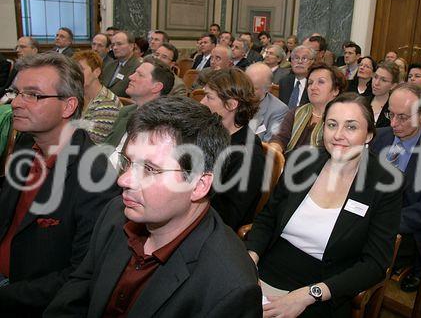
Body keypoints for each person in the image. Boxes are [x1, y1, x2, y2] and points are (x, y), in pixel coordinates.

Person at [45, 96, 262, 317]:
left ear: (199, 184)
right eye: (128, 163)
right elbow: (78, 290)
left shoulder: (231, 289)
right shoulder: (115, 212)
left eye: (150, 169)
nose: (124, 180)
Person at [246, 93, 402, 317]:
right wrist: (250, 259)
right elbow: (267, 218)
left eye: (351, 127)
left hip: (326, 287)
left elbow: (375, 264)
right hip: (267, 266)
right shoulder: (302, 162)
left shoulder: (385, 183)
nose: (338, 135)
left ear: (368, 134)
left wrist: (310, 294)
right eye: (332, 125)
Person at [0, 52, 120, 316]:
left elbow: (80, 276)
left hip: (29, 299)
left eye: (33, 95)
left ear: (68, 106)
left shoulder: (95, 177)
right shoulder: (26, 144)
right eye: (16, 92)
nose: (17, 103)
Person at [371, 83, 421, 292]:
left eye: (403, 117)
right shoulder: (377, 138)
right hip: (361, 216)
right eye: (391, 114)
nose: (393, 123)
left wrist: (380, 221)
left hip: (400, 232)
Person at [200, 68, 266, 231]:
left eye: (209, 97)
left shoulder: (247, 155)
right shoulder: (211, 134)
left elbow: (227, 217)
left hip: (211, 231)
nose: (202, 102)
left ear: (231, 104)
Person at [104, 56, 175, 167]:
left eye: (140, 75)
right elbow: (106, 147)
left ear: (156, 87)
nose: (131, 77)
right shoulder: (125, 111)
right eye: (134, 73)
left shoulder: (163, 124)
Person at [271, 63, 346, 155]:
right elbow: (280, 137)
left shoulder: (342, 118)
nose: (313, 87)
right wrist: (274, 147)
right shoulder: (297, 112)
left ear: (335, 90)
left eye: (321, 82)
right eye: (310, 83)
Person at [72, 50, 122, 144]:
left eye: (81, 69)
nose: (75, 73)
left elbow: (91, 144)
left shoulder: (108, 104)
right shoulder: (77, 96)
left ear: (96, 72)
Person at [246, 63, 288, 142]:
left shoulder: (279, 110)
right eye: (245, 85)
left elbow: (268, 145)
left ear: (267, 89)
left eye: (254, 88)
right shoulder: (235, 99)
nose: (247, 91)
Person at [101, 31, 141, 98]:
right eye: (113, 45)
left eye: (119, 44)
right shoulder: (109, 65)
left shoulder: (138, 67)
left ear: (131, 46)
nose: (115, 48)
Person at [370, 61, 400, 128]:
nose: (376, 83)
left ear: (393, 86)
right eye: (375, 77)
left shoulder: (395, 109)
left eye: (383, 80)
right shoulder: (362, 101)